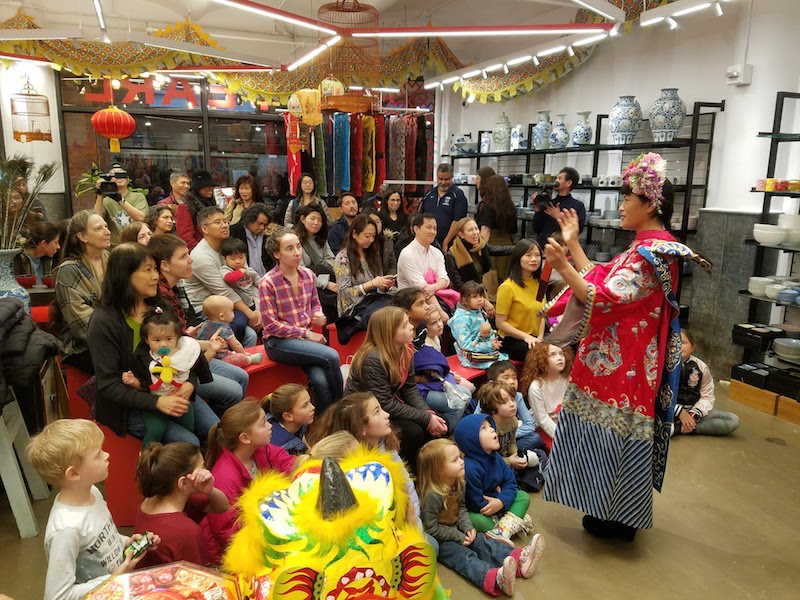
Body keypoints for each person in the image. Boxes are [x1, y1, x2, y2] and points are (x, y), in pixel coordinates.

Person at [541, 152, 712, 541]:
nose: (620, 206)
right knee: (615, 435)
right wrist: (574, 246)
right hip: (622, 361)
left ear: (650, 204)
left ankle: (617, 518)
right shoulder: (646, 248)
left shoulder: (653, 254)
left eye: (627, 199)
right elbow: (603, 278)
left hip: (625, 365)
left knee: (617, 435)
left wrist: (564, 266)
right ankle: (609, 512)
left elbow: (605, 297)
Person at [89, 243, 219, 445]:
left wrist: (189, 384)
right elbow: (109, 385)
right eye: (147, 270)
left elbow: (185, 352)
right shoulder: (104, 321)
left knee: (215, 431)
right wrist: (157, 402)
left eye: (155, 269)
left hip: (171, 387)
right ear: (125, 275)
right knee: (189, 442)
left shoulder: (159, 306)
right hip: (131, 403)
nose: (156, 276)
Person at [26, 419, 159, 599]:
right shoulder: (66, 530)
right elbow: (58, 596)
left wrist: (126, 543)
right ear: (74, 473)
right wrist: (115, 578)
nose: (107, 455)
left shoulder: (93, 492)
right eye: (97, 455)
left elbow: (98, 538)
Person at [416, 439, 545, 597]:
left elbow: (462, 508)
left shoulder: (459, 482)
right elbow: (431, 527)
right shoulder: (433, 495)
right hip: (443, 539)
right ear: (439, 470)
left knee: (483, 542)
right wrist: (458, 536)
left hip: (457, 528)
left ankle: (520, 560)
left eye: (460, 457)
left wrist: (467, 527)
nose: (462, 462)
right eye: (455, 460)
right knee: (464, 557)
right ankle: (494, 579)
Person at [148, 233, 249, 416]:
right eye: (183, 256)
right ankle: (217, 433)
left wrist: (190, 334)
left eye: (188, 254)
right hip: (177, 367)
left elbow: (181, 332)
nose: (190, 259)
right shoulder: (159, 296)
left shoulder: (175, 288)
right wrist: (208, 344)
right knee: (233, 390)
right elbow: (170, 343)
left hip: (189, 351)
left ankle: (229, 429)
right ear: (164, 265)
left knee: (242, 376)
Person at [304, 392, 427, 541]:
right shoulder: (350, 468)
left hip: (405, 523)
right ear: (361, 428)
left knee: (430, 546)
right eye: (377, 412)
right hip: (380, 539)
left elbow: (407, 488)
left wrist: (414, 525)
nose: (387, 414)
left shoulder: (385, 445)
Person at [345, 307, 448, 470]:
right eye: (404, 325)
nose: (412, 327)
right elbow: (384, 403)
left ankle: (430, 472)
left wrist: (429, 415)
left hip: (385, 406)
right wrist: (425, 419)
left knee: (440, 421)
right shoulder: (373, 358)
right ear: (390, 332)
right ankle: (410, 476)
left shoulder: (406, 348)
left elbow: (409, 388)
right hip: (365, 413)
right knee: (414, 432)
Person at [202, 400, 296, 565]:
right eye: (262, 424)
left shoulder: (261, 449)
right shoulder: (225, 476)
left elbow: (288, 464)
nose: (270, 426)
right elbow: (228, 533)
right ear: (245, 438)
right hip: (234, 555)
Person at [259, 229, 343, 413]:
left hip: (304, 340)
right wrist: (306, 333)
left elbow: (315, 304)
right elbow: (271, 325)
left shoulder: (307, 275)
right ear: (276, 254)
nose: (297, 252)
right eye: (289, 248)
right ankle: (341, 410)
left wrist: (318, 315)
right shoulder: (268, 282)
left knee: (321, 382)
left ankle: (322, 423)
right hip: (278, 342)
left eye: (298, 246)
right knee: (332, 355)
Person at [121, 308, 207, 448]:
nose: (163, 344)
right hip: (154, 402)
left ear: (178, 338)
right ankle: (146, 459)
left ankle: (185, 457)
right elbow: (143, 385)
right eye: (157, 340)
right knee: (156, 430)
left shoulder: (182, 354)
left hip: (179, 398)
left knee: (189, 426)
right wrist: (133, 382)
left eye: (169, 339)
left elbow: (195, 368)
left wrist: (212, 350)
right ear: (146, 340)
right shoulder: (144, 359)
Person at [134, 442, 230, 567]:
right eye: (202, 468)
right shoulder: (187, 531)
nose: (206, 472)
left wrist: (210, 490)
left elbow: (223, 506)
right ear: (183, 483)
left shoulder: (150, 500)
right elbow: (197, 577)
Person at [184, 206, 259, 348]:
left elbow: (248, 277)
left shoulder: (231, 247)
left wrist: (258, 309)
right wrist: (250, 314)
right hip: (209, 310)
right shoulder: (201, 257)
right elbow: (224, 291)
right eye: (218, 222)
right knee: (250, 335)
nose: (224, 225)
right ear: (204, 229)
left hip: (233, 304)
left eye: (225, 221)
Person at [453, 414, 532, 545]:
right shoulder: (470, 468)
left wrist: (501, 501)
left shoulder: (497, 458)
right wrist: (501, 501)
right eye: (483, 428)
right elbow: (476, 504)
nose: (491, 429)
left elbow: (511, 483)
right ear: (471, 439)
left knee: (523, 496)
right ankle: (510, 521)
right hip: (481, 510)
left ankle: (502, 527)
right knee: (475, 520)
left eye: (491, 426)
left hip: (496, 502)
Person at [54, 210, 111, 374]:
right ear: (82, 237)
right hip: (81, 345)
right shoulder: (69, 270)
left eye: (106, 226)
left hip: (115, 335)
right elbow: (82, 324)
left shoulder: (112, 258)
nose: (107, 232)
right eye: (99, 228)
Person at [476, 380, 546, 493]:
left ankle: (522, 482)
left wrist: (515, 455)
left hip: (506, 460)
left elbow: (511, 442)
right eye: (504, 402)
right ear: (492, 407)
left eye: (512, 399)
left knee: (540, 455)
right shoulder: (488, 428)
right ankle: (514, 483)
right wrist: (509, 461)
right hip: (492, 465)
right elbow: (486, 461)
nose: (512, 404)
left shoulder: (512, 420)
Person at [675, 330, 740, 436]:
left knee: (733, 420)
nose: (679, 346)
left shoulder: (701, 367)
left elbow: (707, 396)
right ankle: (683, 425)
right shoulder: (663, 366)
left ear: (692, 347)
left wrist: (693, 415)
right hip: (670, 411)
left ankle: (682, 428)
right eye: (675, 342)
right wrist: (679, 412)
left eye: (683, 342)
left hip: (694, 409)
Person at [334, 214, 394, 317]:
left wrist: (384, 285)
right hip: (354, 310)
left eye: (373, 236)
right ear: (354, 234)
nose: (371, 240)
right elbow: (344, 294)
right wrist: (370, 284)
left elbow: (377, 285)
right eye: (367, 236)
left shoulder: (373, 254)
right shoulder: (342, 258)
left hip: (374, 302)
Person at [495, 239, 545, 361]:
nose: (534, 259)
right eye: (528, 255)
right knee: (541, 356)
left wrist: (540, 337)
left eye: (537, 255)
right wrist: (526, 337)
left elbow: (542, 313)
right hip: (512, 339)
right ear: (518, 258)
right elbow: (500, 323)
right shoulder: (507, 287)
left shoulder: (540, 283)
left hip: (534, 338)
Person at [396, 213, 450, 323]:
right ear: (416, 229)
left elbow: (445, 279)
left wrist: (434, 287)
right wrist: (440, 312)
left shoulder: (437, 253)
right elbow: (421, 288)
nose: (433, 232)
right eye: (429, 228)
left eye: (435, 228)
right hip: (410, 304)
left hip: (435, 298)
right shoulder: (408, 254)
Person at [519, 344, 573, 452]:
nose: (559, 358)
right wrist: (561, 436)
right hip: (546, 428)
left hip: (565, 423)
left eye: (561, 353)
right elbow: (543, 419)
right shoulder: (536, 387)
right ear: (542, 360)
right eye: (553, 355)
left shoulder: (567, 379)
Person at [293, 204, 338, 324]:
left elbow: (331, 260)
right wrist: (325, 283)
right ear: (303, 219)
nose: (316, 223)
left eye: (319, 220)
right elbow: (299, 270)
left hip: (325, 279)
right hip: (306, 285)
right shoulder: (295, 241)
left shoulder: (320, 238)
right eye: (312, 219)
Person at [486, 360, 544, 453]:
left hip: (511, 437)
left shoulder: (518, 396)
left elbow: (530, 425)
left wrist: (510, 435)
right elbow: (477, 427)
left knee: (535, 438)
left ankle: (511, 453)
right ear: (492, 383)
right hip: (492, 438)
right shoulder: (486, 399)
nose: (512, 382)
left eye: (514, 378)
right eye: (506, 378)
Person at [444, 217, 499, 312]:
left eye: (476, 228)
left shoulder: (480, 246)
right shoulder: (452, 255)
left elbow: (500, 250)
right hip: (464, 301)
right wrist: (483, 301)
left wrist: (521, 248)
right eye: (470, 230)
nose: (475, 233)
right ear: (461, 234)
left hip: (480, 294)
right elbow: (459, 285)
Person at [449, 281, 508, 369]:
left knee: (507, 366)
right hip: (473, 358)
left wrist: (494, 341)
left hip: (488, 353)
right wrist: (489, 345)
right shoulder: (460, 319)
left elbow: (488, 332)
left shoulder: (480, 312)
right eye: (475, 297)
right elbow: (465, 345)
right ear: (464, 300)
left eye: (481, 296)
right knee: (500, 370)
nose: (480, 299)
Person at [197, 295, 263, 367]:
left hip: (204, 355)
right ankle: (249, 360)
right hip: (219, 358)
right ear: (221, 316)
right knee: (238, 358)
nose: (234, 314)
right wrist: (243, 353)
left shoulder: (205, 324)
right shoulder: (224, 328)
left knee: (231, 353)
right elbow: (236, 344)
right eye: (231, 311)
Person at [92, 163, 148, 245]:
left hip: (136, 245)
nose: (118, 177)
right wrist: (100, 195)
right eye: (113, 175)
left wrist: (120, 200)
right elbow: (95, 221)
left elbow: (142, 218)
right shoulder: (105, 201)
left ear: (127, 179)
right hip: (114, 247)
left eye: (121, 174)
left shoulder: (138, 197)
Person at [531, 166, 586, 248]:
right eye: (556, 178)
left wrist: (560, 217)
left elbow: (577, 230)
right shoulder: (549, 203)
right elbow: (537, 229)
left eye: (559, 178)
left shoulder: (578, 206)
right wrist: (537, 209)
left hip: (564, 248)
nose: (556, 181)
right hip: (544, 247)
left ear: (568, 183)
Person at [477, 175, 518, 278]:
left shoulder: (487, 206)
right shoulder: (511, 206)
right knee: (505, 277)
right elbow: (514, 230)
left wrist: (480, 250)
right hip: (508, 246)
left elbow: (485, 230)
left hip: (492, 246)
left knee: (492, 280)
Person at [421, 163, 468, 251]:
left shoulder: (458, 195)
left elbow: (458, 221)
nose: (443, 182)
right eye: (440, 179)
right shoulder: (429, 193)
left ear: (452, 178)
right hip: (429, 242)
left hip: (450, 243)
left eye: (446, 179)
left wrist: (446, 242)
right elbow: (421, 217)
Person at [262, 384, 315, 454]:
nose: (312, 407)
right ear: (288, 416)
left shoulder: (298, 423)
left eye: (309, 402)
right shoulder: (281, 447)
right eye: (305, 406)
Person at [230, 203, 274, 279]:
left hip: (266, 278)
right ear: (249, 220)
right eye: (259, 224)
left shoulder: (267, 236)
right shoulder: (234, 233)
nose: (262, 228)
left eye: (264, 225)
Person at [176, 170, 217, 251]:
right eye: (206, 186)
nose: (210, 188)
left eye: (211, 186)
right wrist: (202, 251)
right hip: (199, 253)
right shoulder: (185, 208)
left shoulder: (211, 206)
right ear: (197, 189)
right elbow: (186, 237)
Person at [220, 237, 260, 312]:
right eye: (233, 259)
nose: (238, 261)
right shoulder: (225, 269)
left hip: (254, 300)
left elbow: (259, 283)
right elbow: (229, 278)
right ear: (225, 259)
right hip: (239, 305)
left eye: (241, 257)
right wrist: (241, 272)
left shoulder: (248, 269)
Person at [366, 209, 398, 276]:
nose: (376, 225)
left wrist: (389, 277)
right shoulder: (364, 243)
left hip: (386, 280)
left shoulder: (388, 240)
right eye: (372, 222)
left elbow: (392, 265)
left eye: (377, 222)